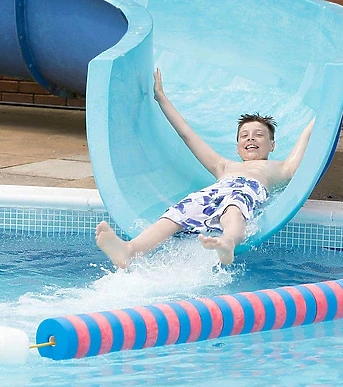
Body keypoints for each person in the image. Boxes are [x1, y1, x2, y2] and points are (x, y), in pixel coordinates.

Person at [96, 68, 314, 269]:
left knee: (234, 207)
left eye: (259, 135)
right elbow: (187, 134)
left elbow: (304, 143)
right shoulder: (224, 165)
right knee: (178, 212)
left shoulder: (280, 167)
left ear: (272, 144)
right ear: (237, 147)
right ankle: (129, 250)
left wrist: (323, 115)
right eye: (244, 136)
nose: (251, 139)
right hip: (214, 192)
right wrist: (160, 97)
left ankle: (227, 242)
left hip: (246, 190)